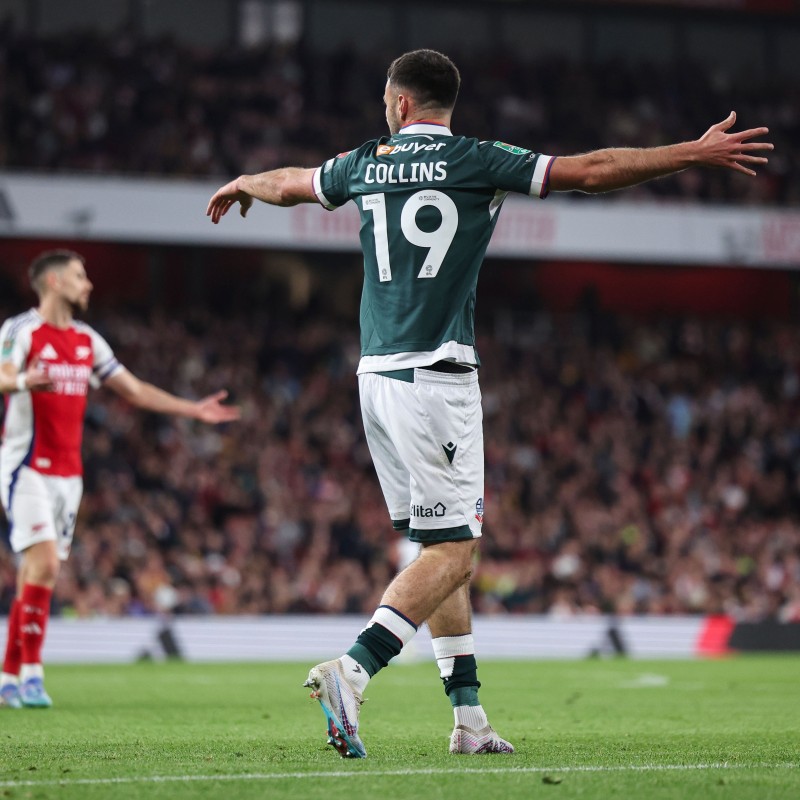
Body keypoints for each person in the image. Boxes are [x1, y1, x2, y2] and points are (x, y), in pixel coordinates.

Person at [206, 49, 772, 757]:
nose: (385, 106)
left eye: (387, 97)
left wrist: (244, 183)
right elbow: (590, 172)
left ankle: (468, 718)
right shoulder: (478, 158)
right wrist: (690, 152)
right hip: (435, 378)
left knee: (437, 548)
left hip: (376, 377)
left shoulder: (365, 161)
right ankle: (353, 670)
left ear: (402, 103)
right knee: (455, 551)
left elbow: (293, 183)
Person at [0, 250, 240, 708]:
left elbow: (134, 390)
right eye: (78, 275)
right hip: (25, 465)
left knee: (37, 574)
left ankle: (9, 676)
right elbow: (4, 374)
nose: (87, 283)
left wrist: (192, 408)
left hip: (70, 475)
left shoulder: (88, 340)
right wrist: (23, 381)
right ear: (52, 282)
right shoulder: (22, 330)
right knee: (45, 565)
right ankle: (32, 673)